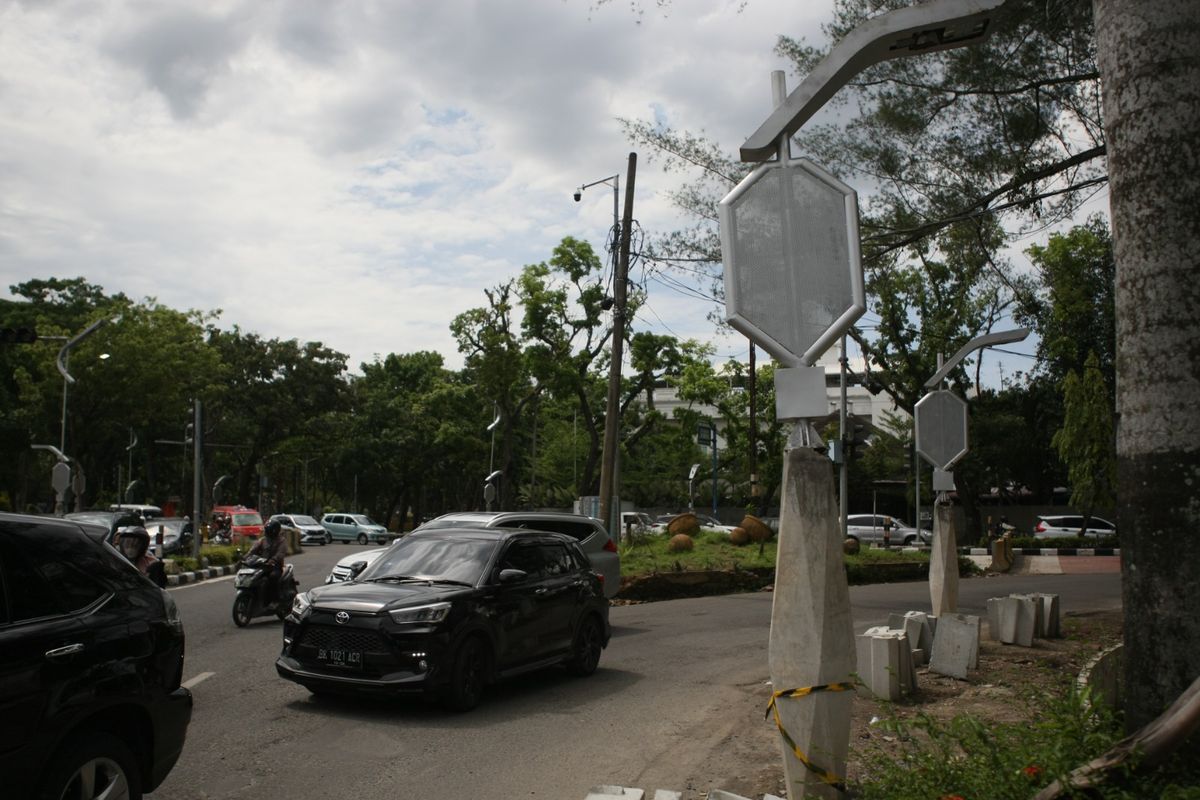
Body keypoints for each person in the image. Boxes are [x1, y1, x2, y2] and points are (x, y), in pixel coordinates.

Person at [248, 519, 288, 602]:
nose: (266, 532)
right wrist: (244, 557)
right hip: (262, 565)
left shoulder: (281, 541)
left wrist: (273, 560)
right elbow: (252, 550)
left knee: (272, 577)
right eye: (266, 529)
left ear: (274, 531)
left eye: (268, 530)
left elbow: (280, 554)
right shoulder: (263, 540)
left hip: (275, 567)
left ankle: (275, 600)